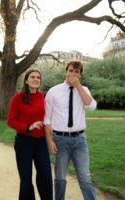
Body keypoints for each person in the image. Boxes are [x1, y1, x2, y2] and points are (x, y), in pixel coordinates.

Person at [44, 61, 97, 200]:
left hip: (80, 140)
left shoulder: (83, 89)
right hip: (60, 139)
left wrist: (78, 86)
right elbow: (47, 118)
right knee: (60, 177)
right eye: (71, 70)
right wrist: (49, 141)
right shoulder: (53, 91)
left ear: (80, 75)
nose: (73, 74)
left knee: (85, 177)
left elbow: (91, 106)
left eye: (77, 72)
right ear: (66, 72)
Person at [7, 69, 53, 200]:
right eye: (32, 77)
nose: (36, 79)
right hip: (24, 142)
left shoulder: (41, 96)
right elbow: (10, 120)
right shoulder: (17, 97)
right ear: (26, 81)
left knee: (45, 175)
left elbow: (47, 117)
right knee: (26, 179)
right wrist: (28, 127)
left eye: (38, 77)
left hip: (40, 142)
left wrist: (49, 136)